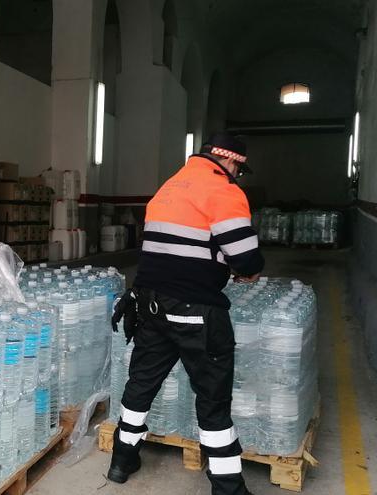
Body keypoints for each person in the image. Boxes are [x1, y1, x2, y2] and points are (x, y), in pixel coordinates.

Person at [109, 133, 264, 495]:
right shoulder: (223, 191)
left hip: (150, 306)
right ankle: (227, 486)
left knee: (141, 384)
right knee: (212, 398)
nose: (237, 175)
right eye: (238, 169)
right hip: (196, 311)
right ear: (231, 162)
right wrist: (245, 269)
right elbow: (245, 257)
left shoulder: (168, 187)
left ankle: (122, 459)